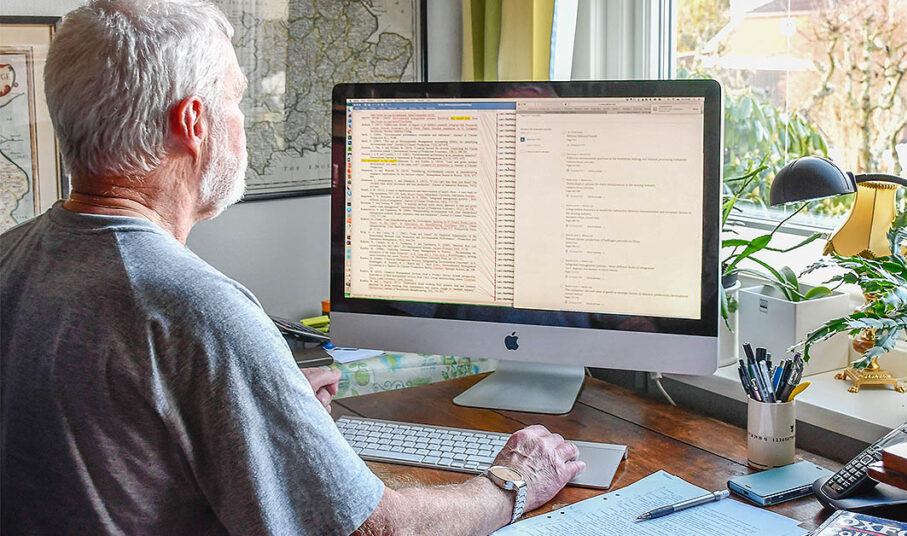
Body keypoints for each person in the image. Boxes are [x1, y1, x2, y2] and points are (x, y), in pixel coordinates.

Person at [0, 1, 584, 534]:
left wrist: (262, 395)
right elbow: (378, 529)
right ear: (194, 125)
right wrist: (512, 483)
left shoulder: (11, 256)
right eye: (237, 99)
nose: (244, 124)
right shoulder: (199, 311)